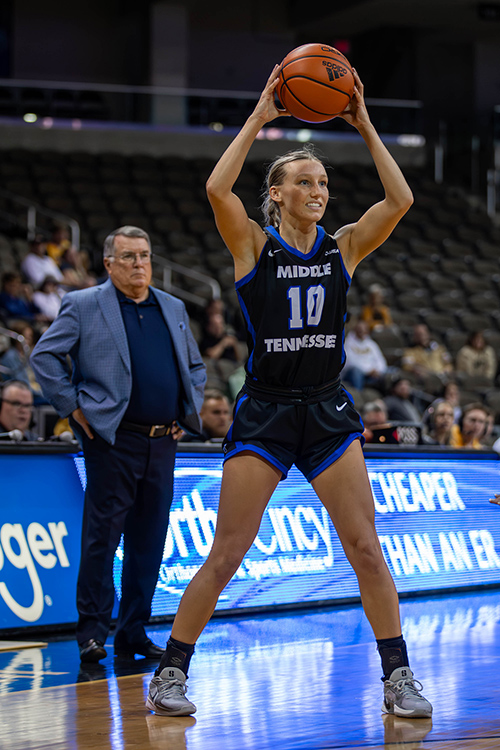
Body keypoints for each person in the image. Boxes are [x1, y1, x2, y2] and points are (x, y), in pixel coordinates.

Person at [147, 67, 431, 719]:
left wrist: (363, 124)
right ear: (275, 194)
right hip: (268, 412)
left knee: (366, 548)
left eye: (323, 182)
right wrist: (259, 117)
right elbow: (217, 187)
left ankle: (398, 677)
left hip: (328, 411)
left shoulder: (344, 249)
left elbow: (401, 200)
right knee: (226, 554)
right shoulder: (252, 245)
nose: (318, 190)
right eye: (304, 181)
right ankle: (169, 672)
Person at [30, 225, 206, 663]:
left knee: (150, 542)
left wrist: (188, 408)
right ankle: (92, 633)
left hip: (163, 441)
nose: (138, 264)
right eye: (128, 257)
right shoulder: (83, 304)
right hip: (112, 439)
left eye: (144, 255)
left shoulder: (173, 306)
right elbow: (44, 356)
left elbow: (196, 367)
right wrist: (72, 406)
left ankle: (133, 632)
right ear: (108, 263)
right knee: (101, 541)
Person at [402, 324, 453, 393]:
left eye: (423, 333)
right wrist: (420, 370)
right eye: (418, 334)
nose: (422, 336)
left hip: (442, 376)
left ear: (428, 334)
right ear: (414, 336)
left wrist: (446, 370)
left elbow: (448, 363)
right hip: (425, 379)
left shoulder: (440, 349)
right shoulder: (409, 351)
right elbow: (407, 366)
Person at [343, 318, 388, 391]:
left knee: (392, 371)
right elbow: (350, 362)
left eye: (364, 329)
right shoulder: (348, 342)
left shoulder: (371, 344)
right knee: (356, 372)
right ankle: (358, 396)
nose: (362, 331)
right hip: (354, 373)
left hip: (372, 373)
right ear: (355, 330)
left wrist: (378, 370)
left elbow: (380, 360)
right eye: (359, 329)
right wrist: (368, 370)